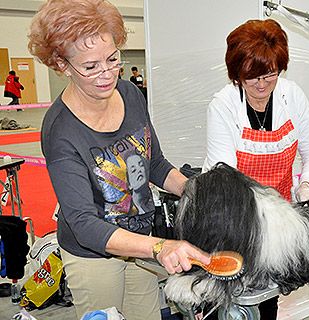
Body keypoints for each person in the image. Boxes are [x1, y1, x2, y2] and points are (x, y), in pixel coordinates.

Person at [27, 1, 210, 319]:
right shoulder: (61, 131)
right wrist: (158, 248)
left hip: (140, 239)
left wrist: (199, 192)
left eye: (112, 60)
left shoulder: (130, 94)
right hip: (92, 256)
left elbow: (155, 165)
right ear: (62, 65)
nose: (106, 74)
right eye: (90, 66)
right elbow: (84, 224)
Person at [202, 19, 309, 319]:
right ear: (236, 74)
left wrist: (306, 185)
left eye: (269, 75)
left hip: (276, 222)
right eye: (251, 76)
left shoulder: (292, 96)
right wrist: (259, 227)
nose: (261, 84)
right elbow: (225, 177)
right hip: (230, 220)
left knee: (267, 301)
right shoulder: (223, 105)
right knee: (227, 305)